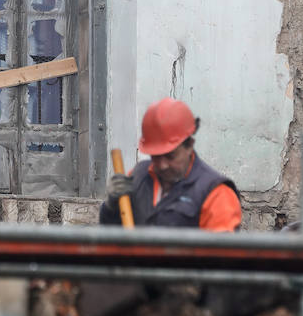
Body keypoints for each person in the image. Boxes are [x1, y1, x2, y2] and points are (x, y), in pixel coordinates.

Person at [99, 97, 242, 231]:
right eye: (155, 156)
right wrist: (111, 208)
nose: (162, 165)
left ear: (189, 146)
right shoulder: (137, 176)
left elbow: (222, 255)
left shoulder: (216, 193)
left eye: (170, 156)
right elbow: (111, 238)